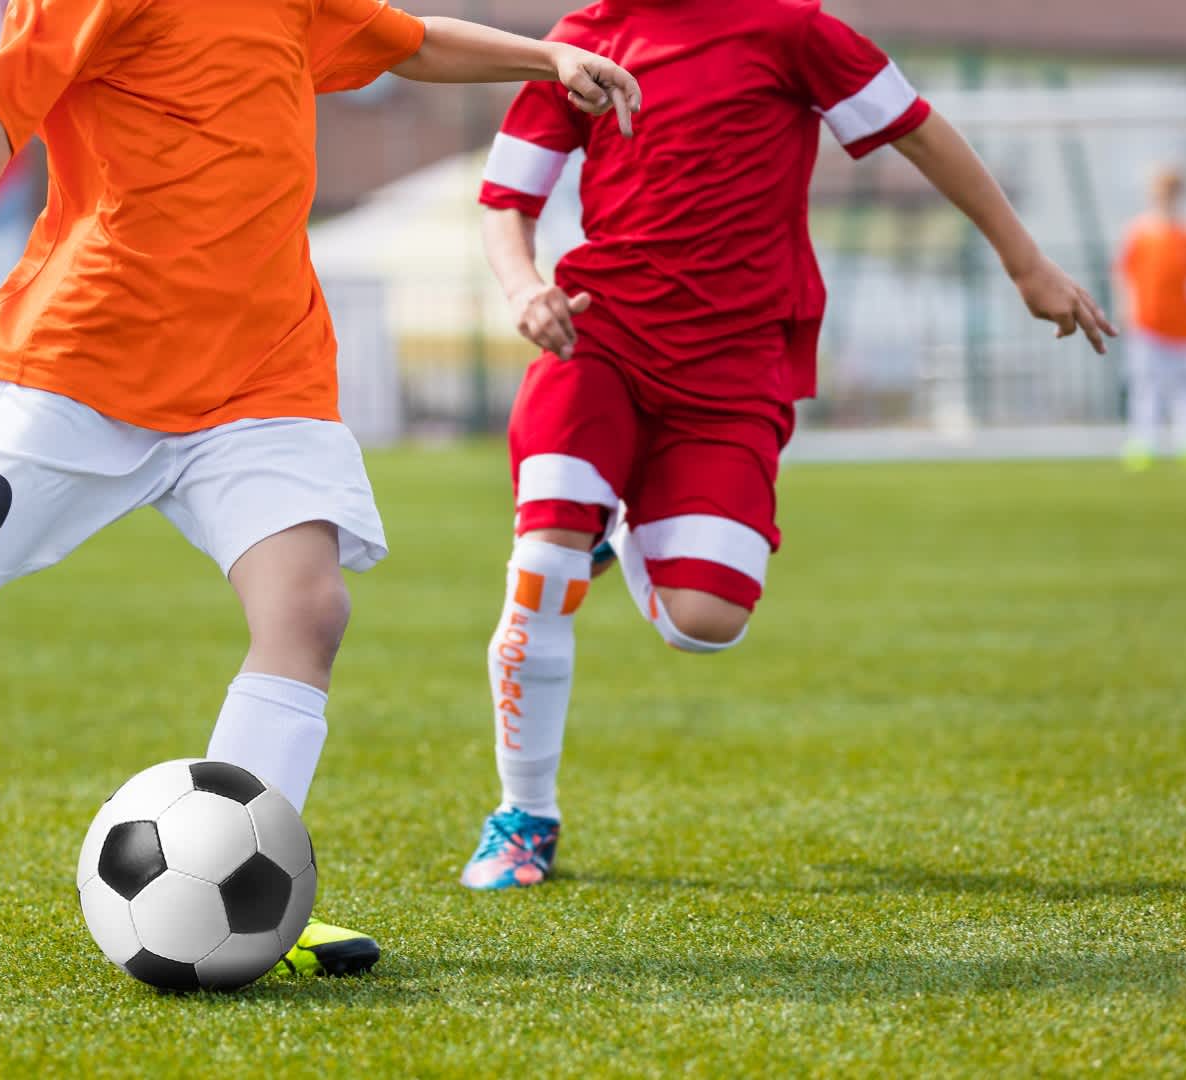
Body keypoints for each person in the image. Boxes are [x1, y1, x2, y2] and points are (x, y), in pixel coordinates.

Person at [0, 0, 640, 978]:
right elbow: (0, 112)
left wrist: (544, 57)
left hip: (261, 374)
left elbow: (409, 43)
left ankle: (240, 902)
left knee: (305, 609)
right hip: (86, 364)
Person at [459, 0, 1116, 891]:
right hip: (595, 339)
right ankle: (522, 819)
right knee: (542, 567)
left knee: (706, 626)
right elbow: (507, 200)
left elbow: (917, 131)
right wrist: (521, 288)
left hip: (735, 366)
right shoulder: (574, 44)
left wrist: (1025, 264)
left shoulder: (789, 29)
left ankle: (618, 528)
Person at [1117, 165, 1186, 470]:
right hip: (1148, 323)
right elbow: (1125, 276)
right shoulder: (1139, 234)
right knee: (1146, 386)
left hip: (1184, 327)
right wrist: (1128, 312)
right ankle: (1143, 444)